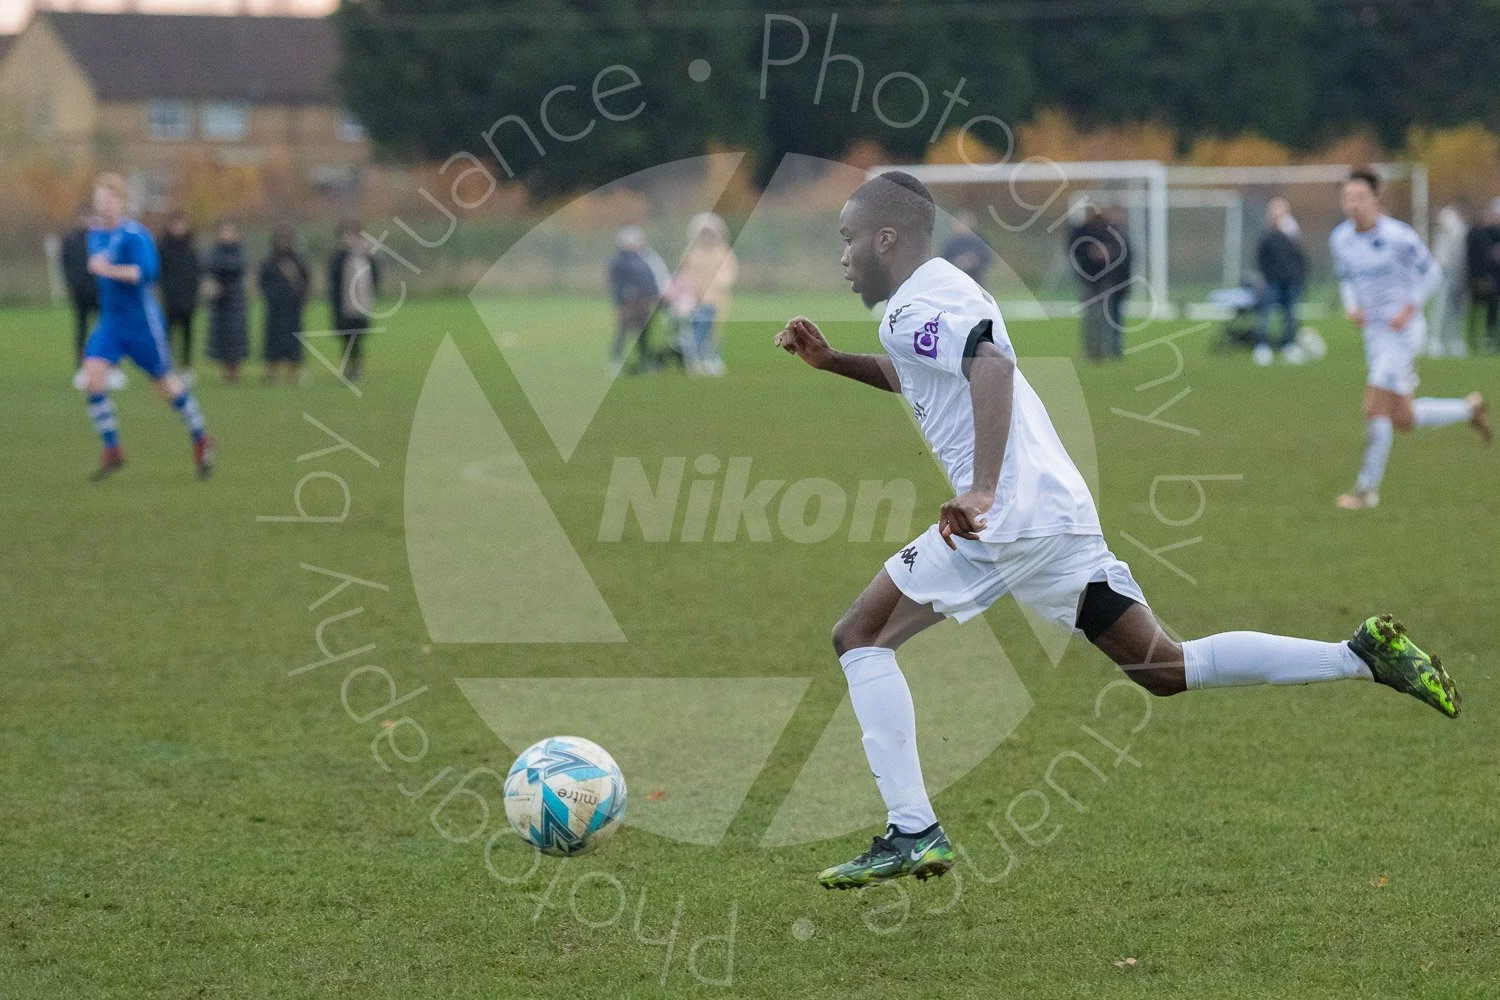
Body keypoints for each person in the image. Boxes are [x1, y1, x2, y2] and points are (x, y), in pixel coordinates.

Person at [773, 171, 1461, 891]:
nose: (843, 256)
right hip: (1053, 513)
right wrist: (831, 363)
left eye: (848, 239)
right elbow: (925, 369)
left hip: (1005, 517)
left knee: (859, 635)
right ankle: (1357, 657)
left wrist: (979, 489)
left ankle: (912, 829)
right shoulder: (937, 292)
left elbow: (990, 364)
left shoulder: (918, 299)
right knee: (1162, 666)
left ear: (887, 238)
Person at [1330, 170, 1490, 511]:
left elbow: (1432, 273)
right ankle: (1468, 409)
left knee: (1374, 405)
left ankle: (1366, 490)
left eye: (1359, 197)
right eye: (1347, 198)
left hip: (1403, 333)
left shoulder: (1399, 236)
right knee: (1402, 417)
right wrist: (1352, 306)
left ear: (1376, 200)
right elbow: (1346, 278)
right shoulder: (1340, 239)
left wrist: (1410, 306)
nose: (1352, 204)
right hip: (1374, 334)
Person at [78, 171, 213, 480]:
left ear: (121, 201)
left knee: (165, 386)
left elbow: (147, 274)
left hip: (141, 324)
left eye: (109, 199)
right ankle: (112, 448)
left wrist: (107, 269)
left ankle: (200, 436)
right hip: (111, 323)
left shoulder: (135, 234)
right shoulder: (95, 234)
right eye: (99, 199)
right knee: (92, 377)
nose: (103, 205)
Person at [676, 212, 737, 376]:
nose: (706, 239)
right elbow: (685, 273)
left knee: (714, 330)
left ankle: (711, 359)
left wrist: (715, 288)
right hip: (695, 300)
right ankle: (695, 359)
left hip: (716, 300)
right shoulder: (692, 252)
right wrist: (690, 291)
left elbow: (727, 273)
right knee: (697, 329)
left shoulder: (722, 252)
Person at [1252, 197, 1307, 366]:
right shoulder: (1267, 239)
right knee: (1265, 315)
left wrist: (1299, 278)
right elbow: (1261, 261)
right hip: (1272, 282)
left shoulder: (1292, 238)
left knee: (1290, 315)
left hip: (1291, 282)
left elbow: (1300, 259)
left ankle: (1288, 345)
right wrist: (1269, 277)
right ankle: (1262, 346)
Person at [607, 225, 664, 375]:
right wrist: (620, 301)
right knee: (623, 332)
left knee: (644, 334)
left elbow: (651, 279)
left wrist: (655, 295)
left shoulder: (644, 259)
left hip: (644, 302)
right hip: (627, 303)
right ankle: (616, 361)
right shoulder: (618, 262)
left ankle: (645, 361)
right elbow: (616, 284)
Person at [329, 219, 379, 383]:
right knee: (345, 339)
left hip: (361, 305)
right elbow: (333, 281)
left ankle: (356, 368)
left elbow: (375, 279)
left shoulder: (367, 256)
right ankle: (347, 368)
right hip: (343, 305)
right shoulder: (338, 257)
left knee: (357, 340)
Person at [259, 224, 309, 386]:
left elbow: (305, 282)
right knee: (273, 341)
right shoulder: (269, 262)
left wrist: (299, 298)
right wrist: (272, 297)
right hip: (275, 309)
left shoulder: (298, 262)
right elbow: (263, 283)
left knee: (294, 342)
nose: (284, 243)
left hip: (293, 308)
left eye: (287, 239)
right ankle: (271, 373)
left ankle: (294, 373)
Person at [204, 219, 249, 384]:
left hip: (235, 299)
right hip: (219, 301)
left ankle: (235, 370)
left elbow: (236, 266)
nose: (226, 234)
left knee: (235, 336)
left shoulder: (239, 251)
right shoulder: (214, 251)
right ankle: (225, 370)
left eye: (230, 231)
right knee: (222, 336)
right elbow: (208, 265)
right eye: (224, 231)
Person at [157, 211, 202, 375]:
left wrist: (195, 291)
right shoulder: (163, 247)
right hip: (170, 297)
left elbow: (196, 271)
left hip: (188, 297)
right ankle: (166, 366)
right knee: (167, 333)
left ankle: (186, 367)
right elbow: (158, 272)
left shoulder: (191, 247)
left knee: (187, 333)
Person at [1067, 205, 1112, 361]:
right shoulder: (1080, 231)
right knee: (1092, 315)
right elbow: (1073, 251)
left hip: (1105, 279)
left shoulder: (1106, 230)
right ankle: (1091, 351)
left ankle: (1102, 350)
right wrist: (1089, 253)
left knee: (1103, 315)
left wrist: (1106, 252)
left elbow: (1117, 249)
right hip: (1087, 279)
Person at [1428, 204, 1471, 358]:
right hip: (1445, 270)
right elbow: (1442, 220)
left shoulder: (1462, 228)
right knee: (1441, 307)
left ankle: (1453, 340)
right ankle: (1434, 340)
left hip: (1460, 271)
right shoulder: (1450, 224)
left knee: (1456, 309)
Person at [61, 208, 99, 370]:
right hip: (80, 293)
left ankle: (105, 366)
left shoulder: (98, 238)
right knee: (81, 329)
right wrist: (74, 284)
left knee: (102, 330)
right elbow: (65, 265)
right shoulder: (70, 239)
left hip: (98, 292)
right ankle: (81, 366)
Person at [1465, 198, 1500, 353]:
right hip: (1482, 277)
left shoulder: (1490, 234)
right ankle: (1478, 339)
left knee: (1490, 307)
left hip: (1490, 276)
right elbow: (1478, 258)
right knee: (1477, 307)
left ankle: (1487, 337)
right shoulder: (1477, 234)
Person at [1102, 204, 1133, 357]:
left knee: (1117, 316)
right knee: (1110, 316)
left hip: (1122, 282)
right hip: (1110, 282)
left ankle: (1114, 348)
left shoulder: (1123, 233)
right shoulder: (1108, 234)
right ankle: (1110, 348)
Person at [940, 211, 993, 286]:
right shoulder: (950, 244)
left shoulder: (978, 243)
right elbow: (944, 262)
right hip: (956, 283)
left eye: (963, 223)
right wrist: (956, 262)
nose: (960, 226)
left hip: (975, 282)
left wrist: (971, 261)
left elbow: (987, 258)